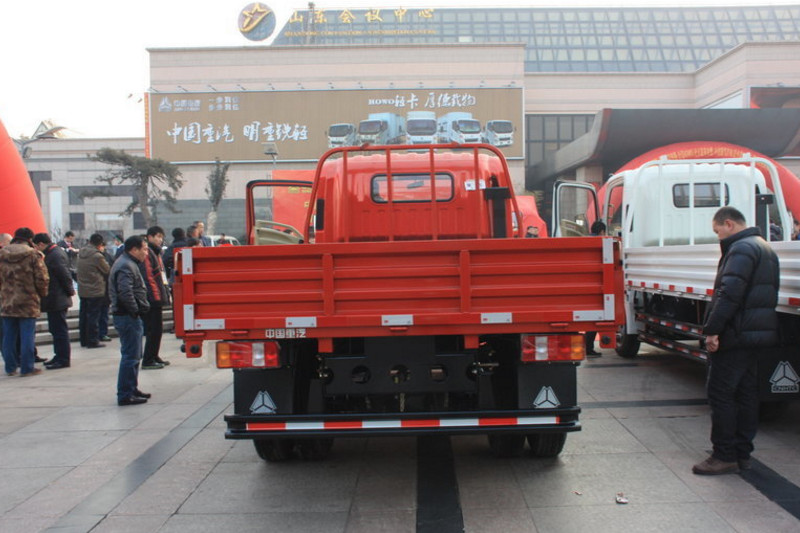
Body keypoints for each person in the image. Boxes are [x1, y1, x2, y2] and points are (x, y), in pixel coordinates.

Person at [692, 207, 779, 476]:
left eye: (717, 231)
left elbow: (729, 293)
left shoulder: (741, 249)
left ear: (728, 224)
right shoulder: (764, 247)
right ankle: (743, 454)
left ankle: (724, 455)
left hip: (735, 334)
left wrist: (713, 330)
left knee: (721, 394)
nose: (718, 237)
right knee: (746, 394)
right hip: (755, 335)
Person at [0, 228, 49, 377]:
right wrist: (42, 294)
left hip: (7, 301)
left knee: (8, 336)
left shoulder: (2, 253)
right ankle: (27, 368)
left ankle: (10, 367)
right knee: (27, 335)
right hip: (28, 301)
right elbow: (42, 278)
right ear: (30, 239)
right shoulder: (33, 254)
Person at [109, 235, 151, 406]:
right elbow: (125, 292)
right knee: (130, 356)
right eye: (144, 249)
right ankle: (126, 393)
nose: (146, 253)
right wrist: (135, 310)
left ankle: (132, 388)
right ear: (134, 249)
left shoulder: (128, 263)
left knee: (134, 354)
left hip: (128, 315)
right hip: (126, 316)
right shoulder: (126, 265)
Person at [33, 233, 75, 369]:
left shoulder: (55, 255)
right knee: (55, 330)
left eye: (36, 246)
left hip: (57, 298)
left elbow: (64, 275)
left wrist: (70, 291)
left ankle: (63, 359)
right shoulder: (53, 253)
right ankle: (59, 355)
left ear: (41, 244)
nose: (35, 249)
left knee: (59, 330)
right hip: (54, 299)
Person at [140, 226, 171, 369]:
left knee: (158, 329)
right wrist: (156, 297)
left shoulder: (156, 252)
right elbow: (148, 277)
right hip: (152, 298)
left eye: (161, 237)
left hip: (157, 295)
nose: (160, 239)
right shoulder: (148, 253)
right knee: (153, 330)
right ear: (149, 237)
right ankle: (148, 359)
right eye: (157, 236)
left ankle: (154, 355)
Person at [76, 233, 110, 349]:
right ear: (100, 244)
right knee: (93, 317)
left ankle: (84, 339)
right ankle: (93, 340)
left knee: (83, 316)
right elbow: (107, 270)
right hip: (95, 290)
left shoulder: (80, 253)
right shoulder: (97, 256)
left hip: (83, 289)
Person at [584, 221, 607, 357]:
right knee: (594, 320)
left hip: (585, 285)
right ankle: (588, 348)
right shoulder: (601, 242)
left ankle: (587, 347)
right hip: (596, 287)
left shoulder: (585, 241)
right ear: (602, 231)